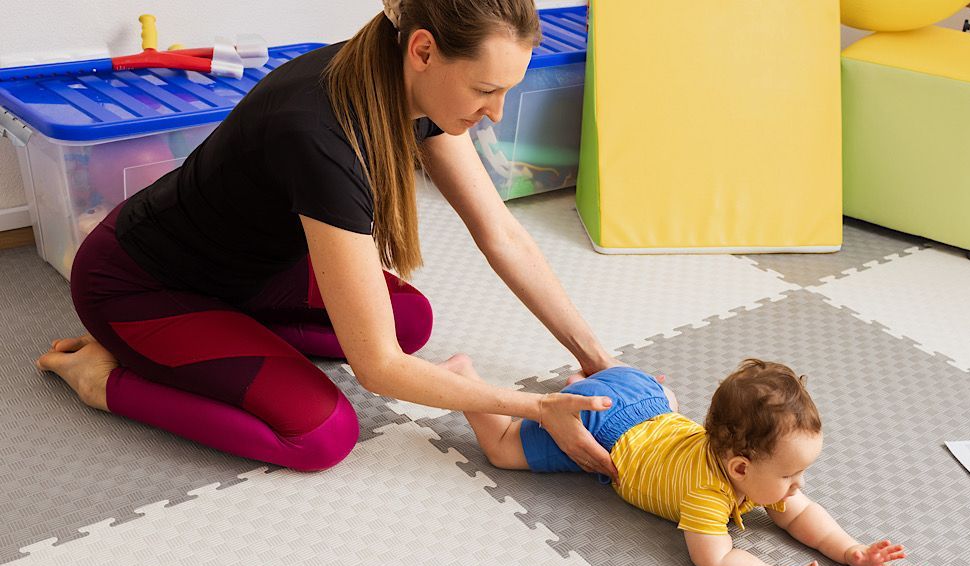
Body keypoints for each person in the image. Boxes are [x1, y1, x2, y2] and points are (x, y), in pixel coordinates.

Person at [35, 0, 629, 476]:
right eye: (484, 90)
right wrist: (533, 409)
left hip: (253, 271)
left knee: (409, 320)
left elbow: (499, 232)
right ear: (424, 49)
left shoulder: (403, 81)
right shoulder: (322, 135)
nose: (497, 112)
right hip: (144, 285)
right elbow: (377, 370)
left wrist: (597, 359)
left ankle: (217, 339)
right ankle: (101, 380)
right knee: (322, 435)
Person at [444, 355, 906, 566]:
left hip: (646, 392)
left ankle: (591, 383)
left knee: (665, 404)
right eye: (789, 476)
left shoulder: (754, 472)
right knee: (504, 449)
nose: (798, 486)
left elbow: (804, 515)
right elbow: (717, 561)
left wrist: (851, 551)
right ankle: (462, 377)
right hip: (605, 426)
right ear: (740, 469)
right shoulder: (706, 492)